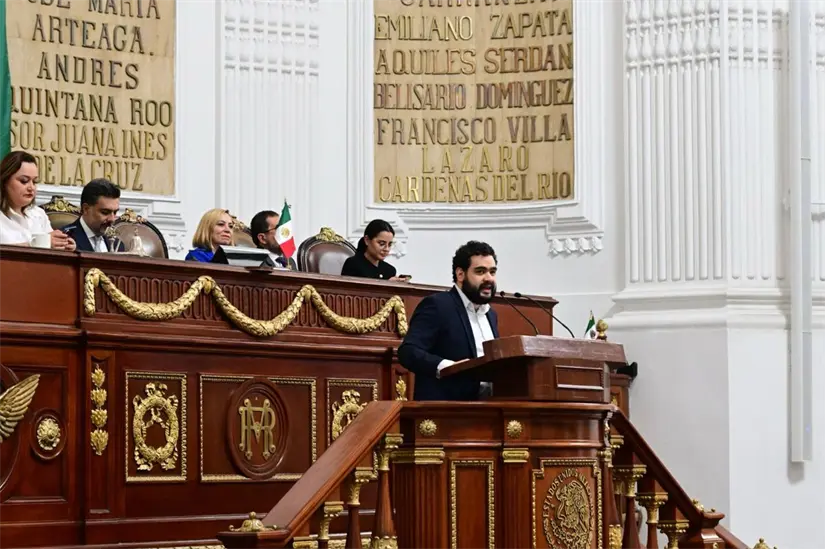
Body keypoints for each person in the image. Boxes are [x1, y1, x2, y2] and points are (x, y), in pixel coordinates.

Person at [397, 241, 499, 401]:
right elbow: (408, 352)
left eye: (492, 272)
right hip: (446, 411)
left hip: (488, 408)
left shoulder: (490, 315)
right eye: (480, 271)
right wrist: (447, 367)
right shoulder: (438, 305)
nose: (489, 278)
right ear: (460, 274)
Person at [0, 151, 75, 250]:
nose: (31, 187)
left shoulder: (38, 214)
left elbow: (52, 248)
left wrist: (64, 245)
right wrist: (34, 245)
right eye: (24, 181)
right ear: (4, 181)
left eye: (34, 181)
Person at [61, 178, 122, 252]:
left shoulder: (118, 244)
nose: (112, 219)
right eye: (105, 212)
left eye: (115, 212)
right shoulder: (64, 238)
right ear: (86, 209)